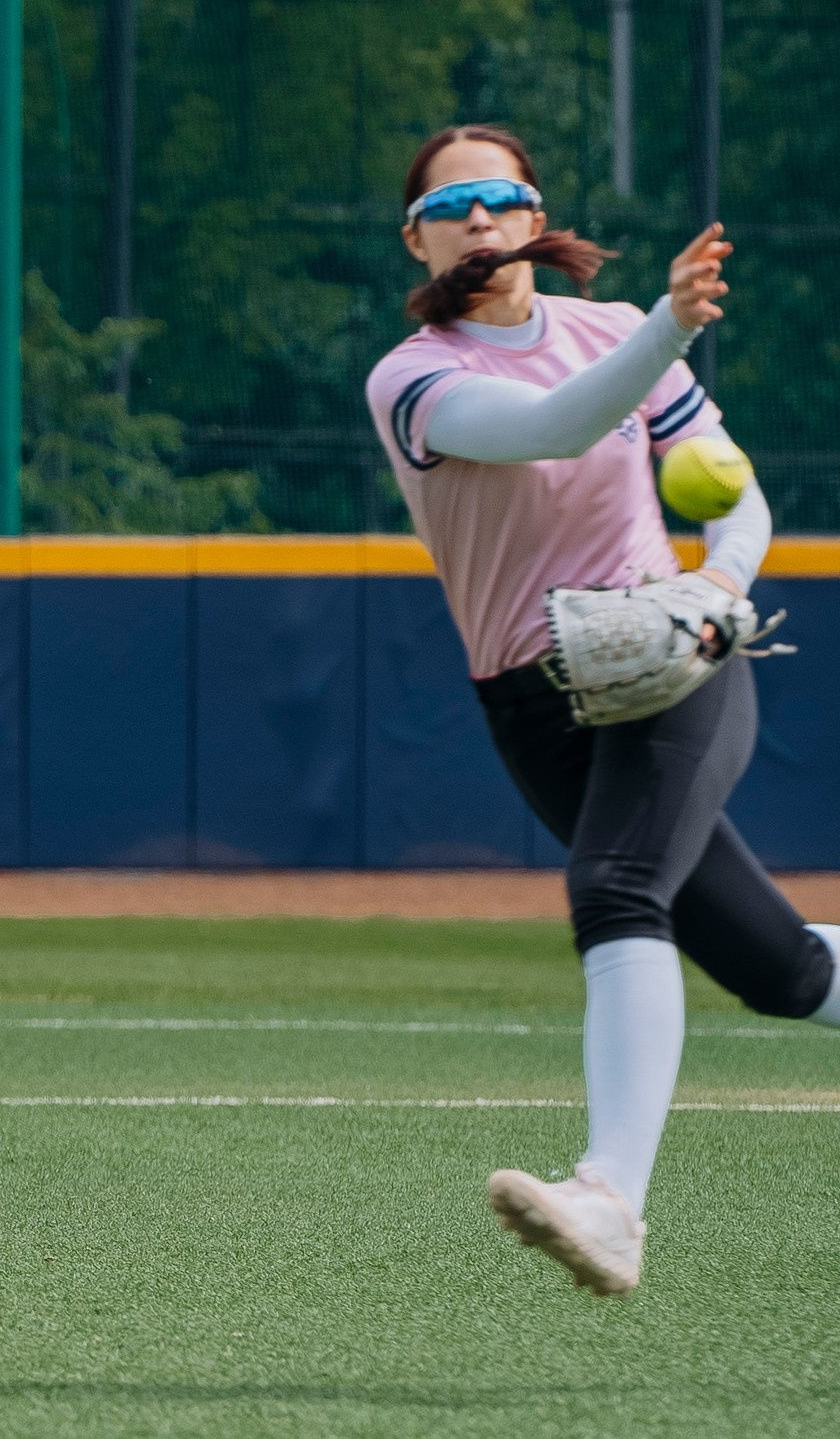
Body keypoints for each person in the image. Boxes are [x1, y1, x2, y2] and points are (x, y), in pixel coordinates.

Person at [365, 124, 840, 1297]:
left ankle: (610, 1198)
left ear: (533, 218)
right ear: (415, 235)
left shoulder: (622, 334)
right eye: (452, 201)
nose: (479, 216)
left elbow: (737, 501)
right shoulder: (415, 375)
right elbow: (549, 430)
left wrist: (719, 590)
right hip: (532, 698)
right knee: (778, 970)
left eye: (501, 196)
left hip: (673, 661)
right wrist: (664, 326)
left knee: (616, 893)